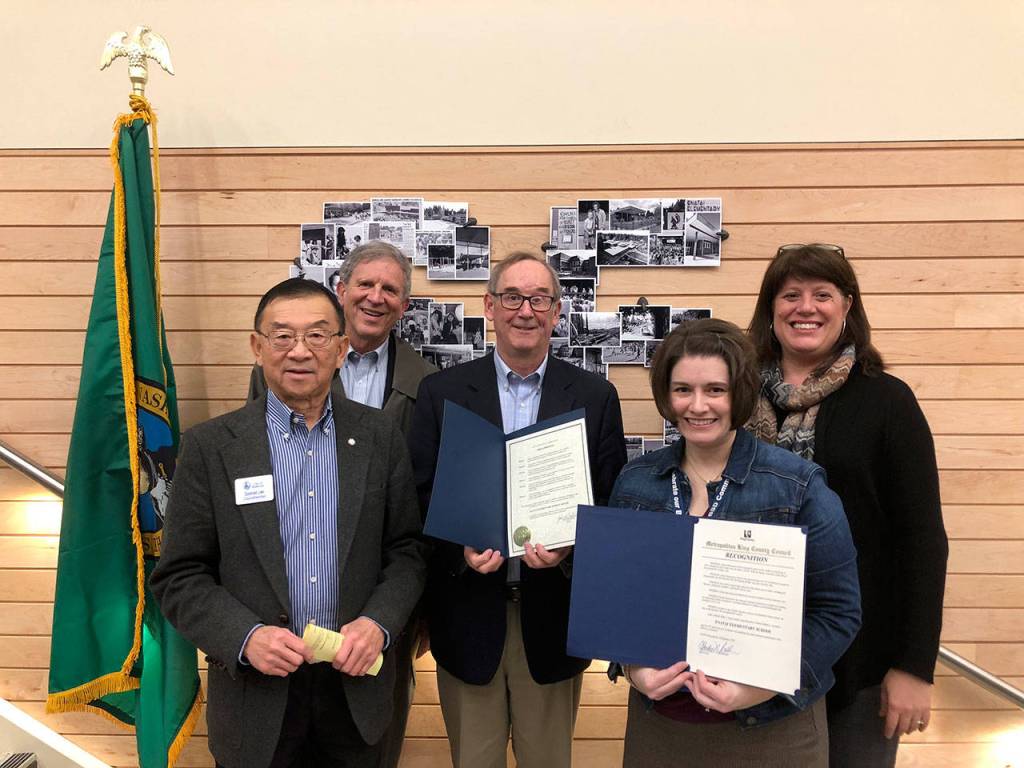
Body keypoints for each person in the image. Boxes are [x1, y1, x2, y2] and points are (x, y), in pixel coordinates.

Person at [151, 278, 427, 768]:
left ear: (341, 349)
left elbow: (405, 551)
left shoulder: (380, 436)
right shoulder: (211, 448)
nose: (299, 350)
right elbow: (179, 576)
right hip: (255, 698)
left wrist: (379, 624)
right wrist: (244, 636)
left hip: (355, 694)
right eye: (282, 336)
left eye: (318, 335)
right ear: (257, 347)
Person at [608, 318, 861, 767]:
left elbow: (838, 612)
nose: (698, 405)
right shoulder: (636, 482)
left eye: (715, 390)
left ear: (739, 393)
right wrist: (634, 670)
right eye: (683, 389)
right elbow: (618, 603)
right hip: (661, 730)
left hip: (772, 730)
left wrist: (760, 687)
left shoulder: (797, 486)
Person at [409, 251, 628, 768]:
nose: (525, 310)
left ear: (557, 312)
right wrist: (459, 552)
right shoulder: (441, 394)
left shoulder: (596, 396)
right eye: (512, 297)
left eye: (539, 299)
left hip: (553, 619)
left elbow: (610, 500)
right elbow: (416, 497)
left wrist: (570, 552)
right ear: (489, 306)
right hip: (467, 614)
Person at [746, 244, 948, 767]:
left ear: (847, 307)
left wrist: (914, 666)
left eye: (822, 295)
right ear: (771, 309)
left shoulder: (888, 401)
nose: (805, 307)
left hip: (861, 659)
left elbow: (922, 538)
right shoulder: (737, 398)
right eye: (790, 295)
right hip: (748, 642)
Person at [248, 241, 436, 768]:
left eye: (391, 289)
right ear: (342, 290)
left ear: (404, 305)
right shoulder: (276, 372)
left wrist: (403, 614)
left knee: (369, 739)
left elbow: (414, 520)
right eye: (366, 284)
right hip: (280, 622)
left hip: (376, 605)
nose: (376, 297)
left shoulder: (426, 386)